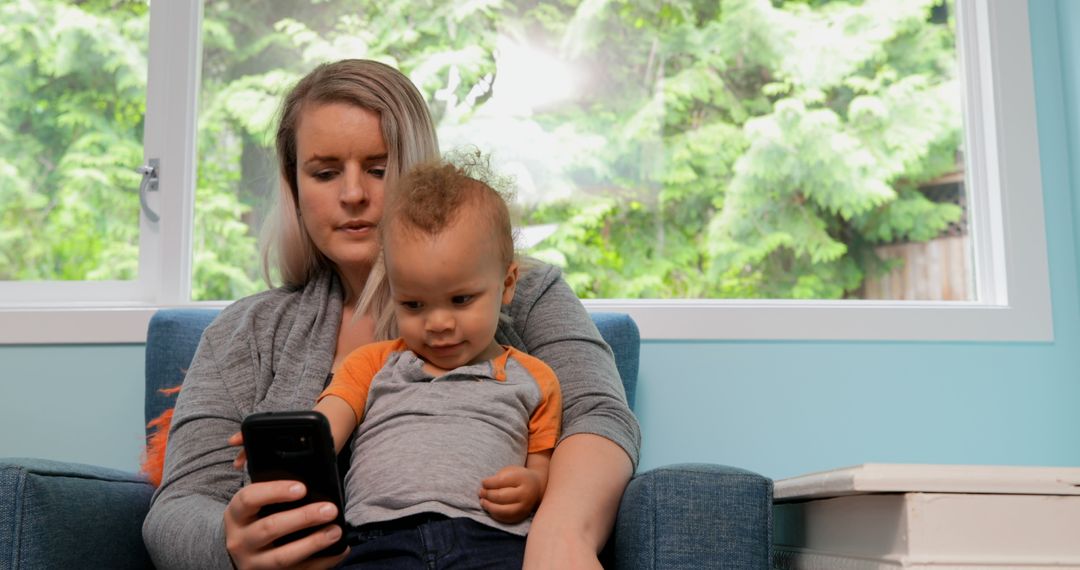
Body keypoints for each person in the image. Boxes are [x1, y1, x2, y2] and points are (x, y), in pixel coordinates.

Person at [142, 59, 640, 570]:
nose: (353, 194)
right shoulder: (244, 334)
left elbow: (597, 415)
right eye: (325, 172)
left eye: (378, 170)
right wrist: (233, 544)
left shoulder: (529, 293)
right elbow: (179, 504)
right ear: (294, 185)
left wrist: (558, 539)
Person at [308, 159, 560, 566]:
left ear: (507, 284)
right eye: (413, 304)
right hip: (378, 539)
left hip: (490, 539)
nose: (438, 324)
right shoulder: (372, 364)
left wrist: (531, 485)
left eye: (461, 300)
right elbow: (324, 428)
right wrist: (284, 446)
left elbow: (543, 466)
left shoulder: (533, 378)